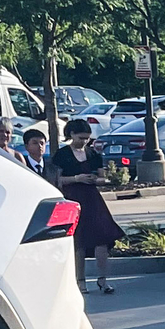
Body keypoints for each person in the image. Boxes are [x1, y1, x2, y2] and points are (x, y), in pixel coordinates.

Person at [49, 118, 123, 294]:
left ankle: (103, 279)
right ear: (72, 134)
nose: (84, 142)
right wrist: (77, 178)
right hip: (73, 197)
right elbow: (57, 180)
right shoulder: (63, 154)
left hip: (92, 197)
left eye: (87, 138)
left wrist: (96, 180)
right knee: (79, 241)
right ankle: (80, 281)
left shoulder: (93, 154)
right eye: (81, 138)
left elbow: (102, 177)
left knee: (102, 237)